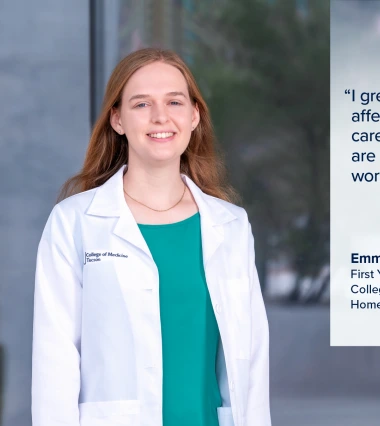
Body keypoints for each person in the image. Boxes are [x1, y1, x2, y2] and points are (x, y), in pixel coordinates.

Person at [32, 48, 271, 426]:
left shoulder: (230, 226)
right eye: (141, 104)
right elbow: (54, 360)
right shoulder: (74, 222)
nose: (161, 117)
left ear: (194, 116)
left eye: (174, 101)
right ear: (118, 119)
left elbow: (251, 358)